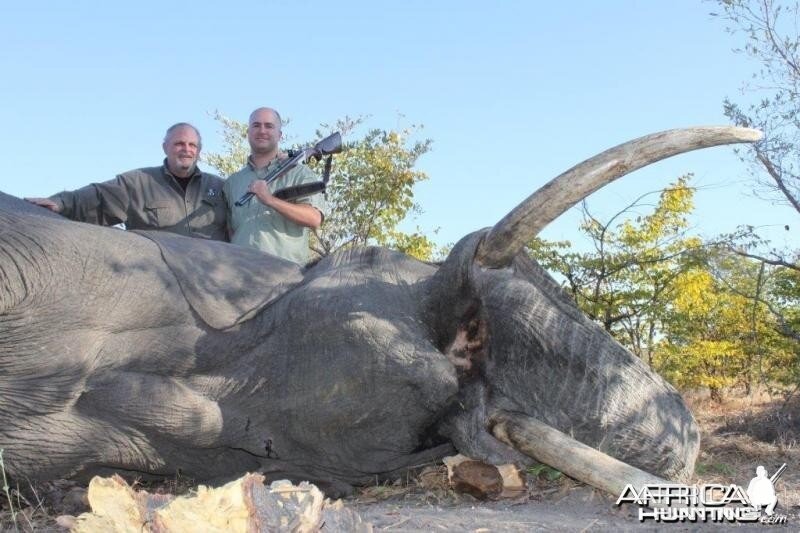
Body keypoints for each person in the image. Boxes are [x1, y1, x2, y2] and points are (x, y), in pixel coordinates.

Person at [25, 123, 227, 241]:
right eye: (179, 143)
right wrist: (60, 203)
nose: (186, 149)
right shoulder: (138, 183)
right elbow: (97, 197)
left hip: (210, 290)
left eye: (192, 145)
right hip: (159, 287)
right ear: (165, 147)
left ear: (199, 151)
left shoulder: (220, 188)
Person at [223, 107, 325, 265]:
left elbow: (314, 218)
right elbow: (230, 231)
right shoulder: (232, 182)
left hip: (287, 277)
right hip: (240, 273)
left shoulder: (300, 173)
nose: (262, 130)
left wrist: (269, 200)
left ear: (280, 135)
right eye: (256, 125)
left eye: (269, 126)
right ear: (248, 133)